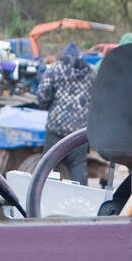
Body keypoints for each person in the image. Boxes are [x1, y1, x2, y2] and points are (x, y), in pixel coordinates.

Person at [35, 41, 93, 184]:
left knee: (48, 165)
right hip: (79, 130)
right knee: (78, 165)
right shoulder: (91, 72)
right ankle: (81, 198)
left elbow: (42, 94)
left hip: (56, 126)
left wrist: (47, 106)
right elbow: (99, 99)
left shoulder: (55, 69)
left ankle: (42, 195)